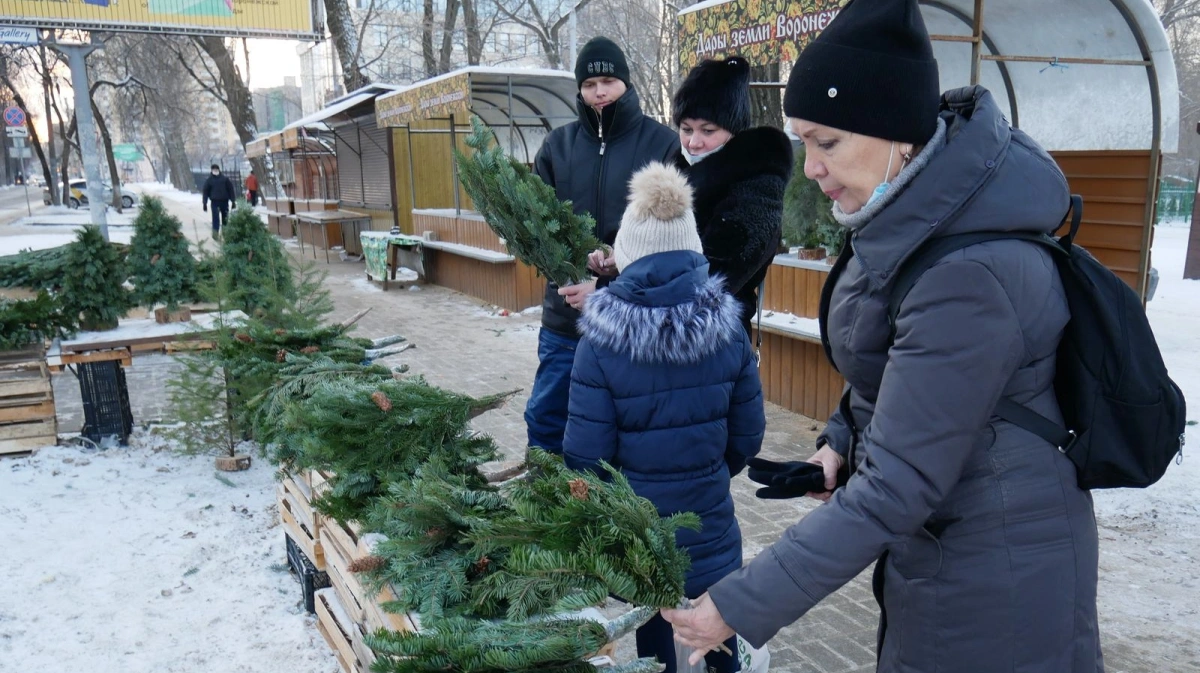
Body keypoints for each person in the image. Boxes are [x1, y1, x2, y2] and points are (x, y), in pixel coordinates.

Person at [662, 1, 1102, 672]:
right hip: (949, 550)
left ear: (898, 133)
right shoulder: (917, 218)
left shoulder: (969, 272)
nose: (809, 166)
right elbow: (906, 369)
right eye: (803, 140)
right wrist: (842, 439)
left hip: (998, 580)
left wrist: (737, 605)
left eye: (827, 142)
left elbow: (898, 484)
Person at [563, 161, 765, 673]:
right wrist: (707, 472)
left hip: (644, 542)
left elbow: (586, 457)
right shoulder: (729, 328)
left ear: (626, 254)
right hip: (713, 530)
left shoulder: (601, 342)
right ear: (694, 250)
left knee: (658, 649)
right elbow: (748, 435)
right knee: (717, 641)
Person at [524, 36, 678, 455]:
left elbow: (672, 239)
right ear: (579, 90)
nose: (599, 92)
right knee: (547, 419)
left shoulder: (662, 145)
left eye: (609, 81)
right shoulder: (558, 146)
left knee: (626, 429)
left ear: (625, 84)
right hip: (565, 318)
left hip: (633, 319)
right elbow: (536, 226)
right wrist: (569, 272)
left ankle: (618, 515)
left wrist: (619, 269)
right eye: (590, 85)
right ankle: (546, 506)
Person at [671, 55, 792, 337]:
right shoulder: (677, 170)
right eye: (686, 129)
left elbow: (712, 279)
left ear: (733, 131)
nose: (694, 142)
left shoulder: (759, 183)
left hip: (716, 344)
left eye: (708, 130)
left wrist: (611, 291)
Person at [202, 164, 236, 238]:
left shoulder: (225, 179)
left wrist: (233, 201)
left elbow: (230, 190)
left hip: (224, 201)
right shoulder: (209, 180)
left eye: (216, 169)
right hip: (215, 202)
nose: (215, 170)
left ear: (219, 170)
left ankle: (225, 233)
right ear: (211, 170)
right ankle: (215, 233)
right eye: (214, 169)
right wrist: (204, 203)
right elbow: (205, 192)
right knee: (215, 218)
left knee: (225, 218)